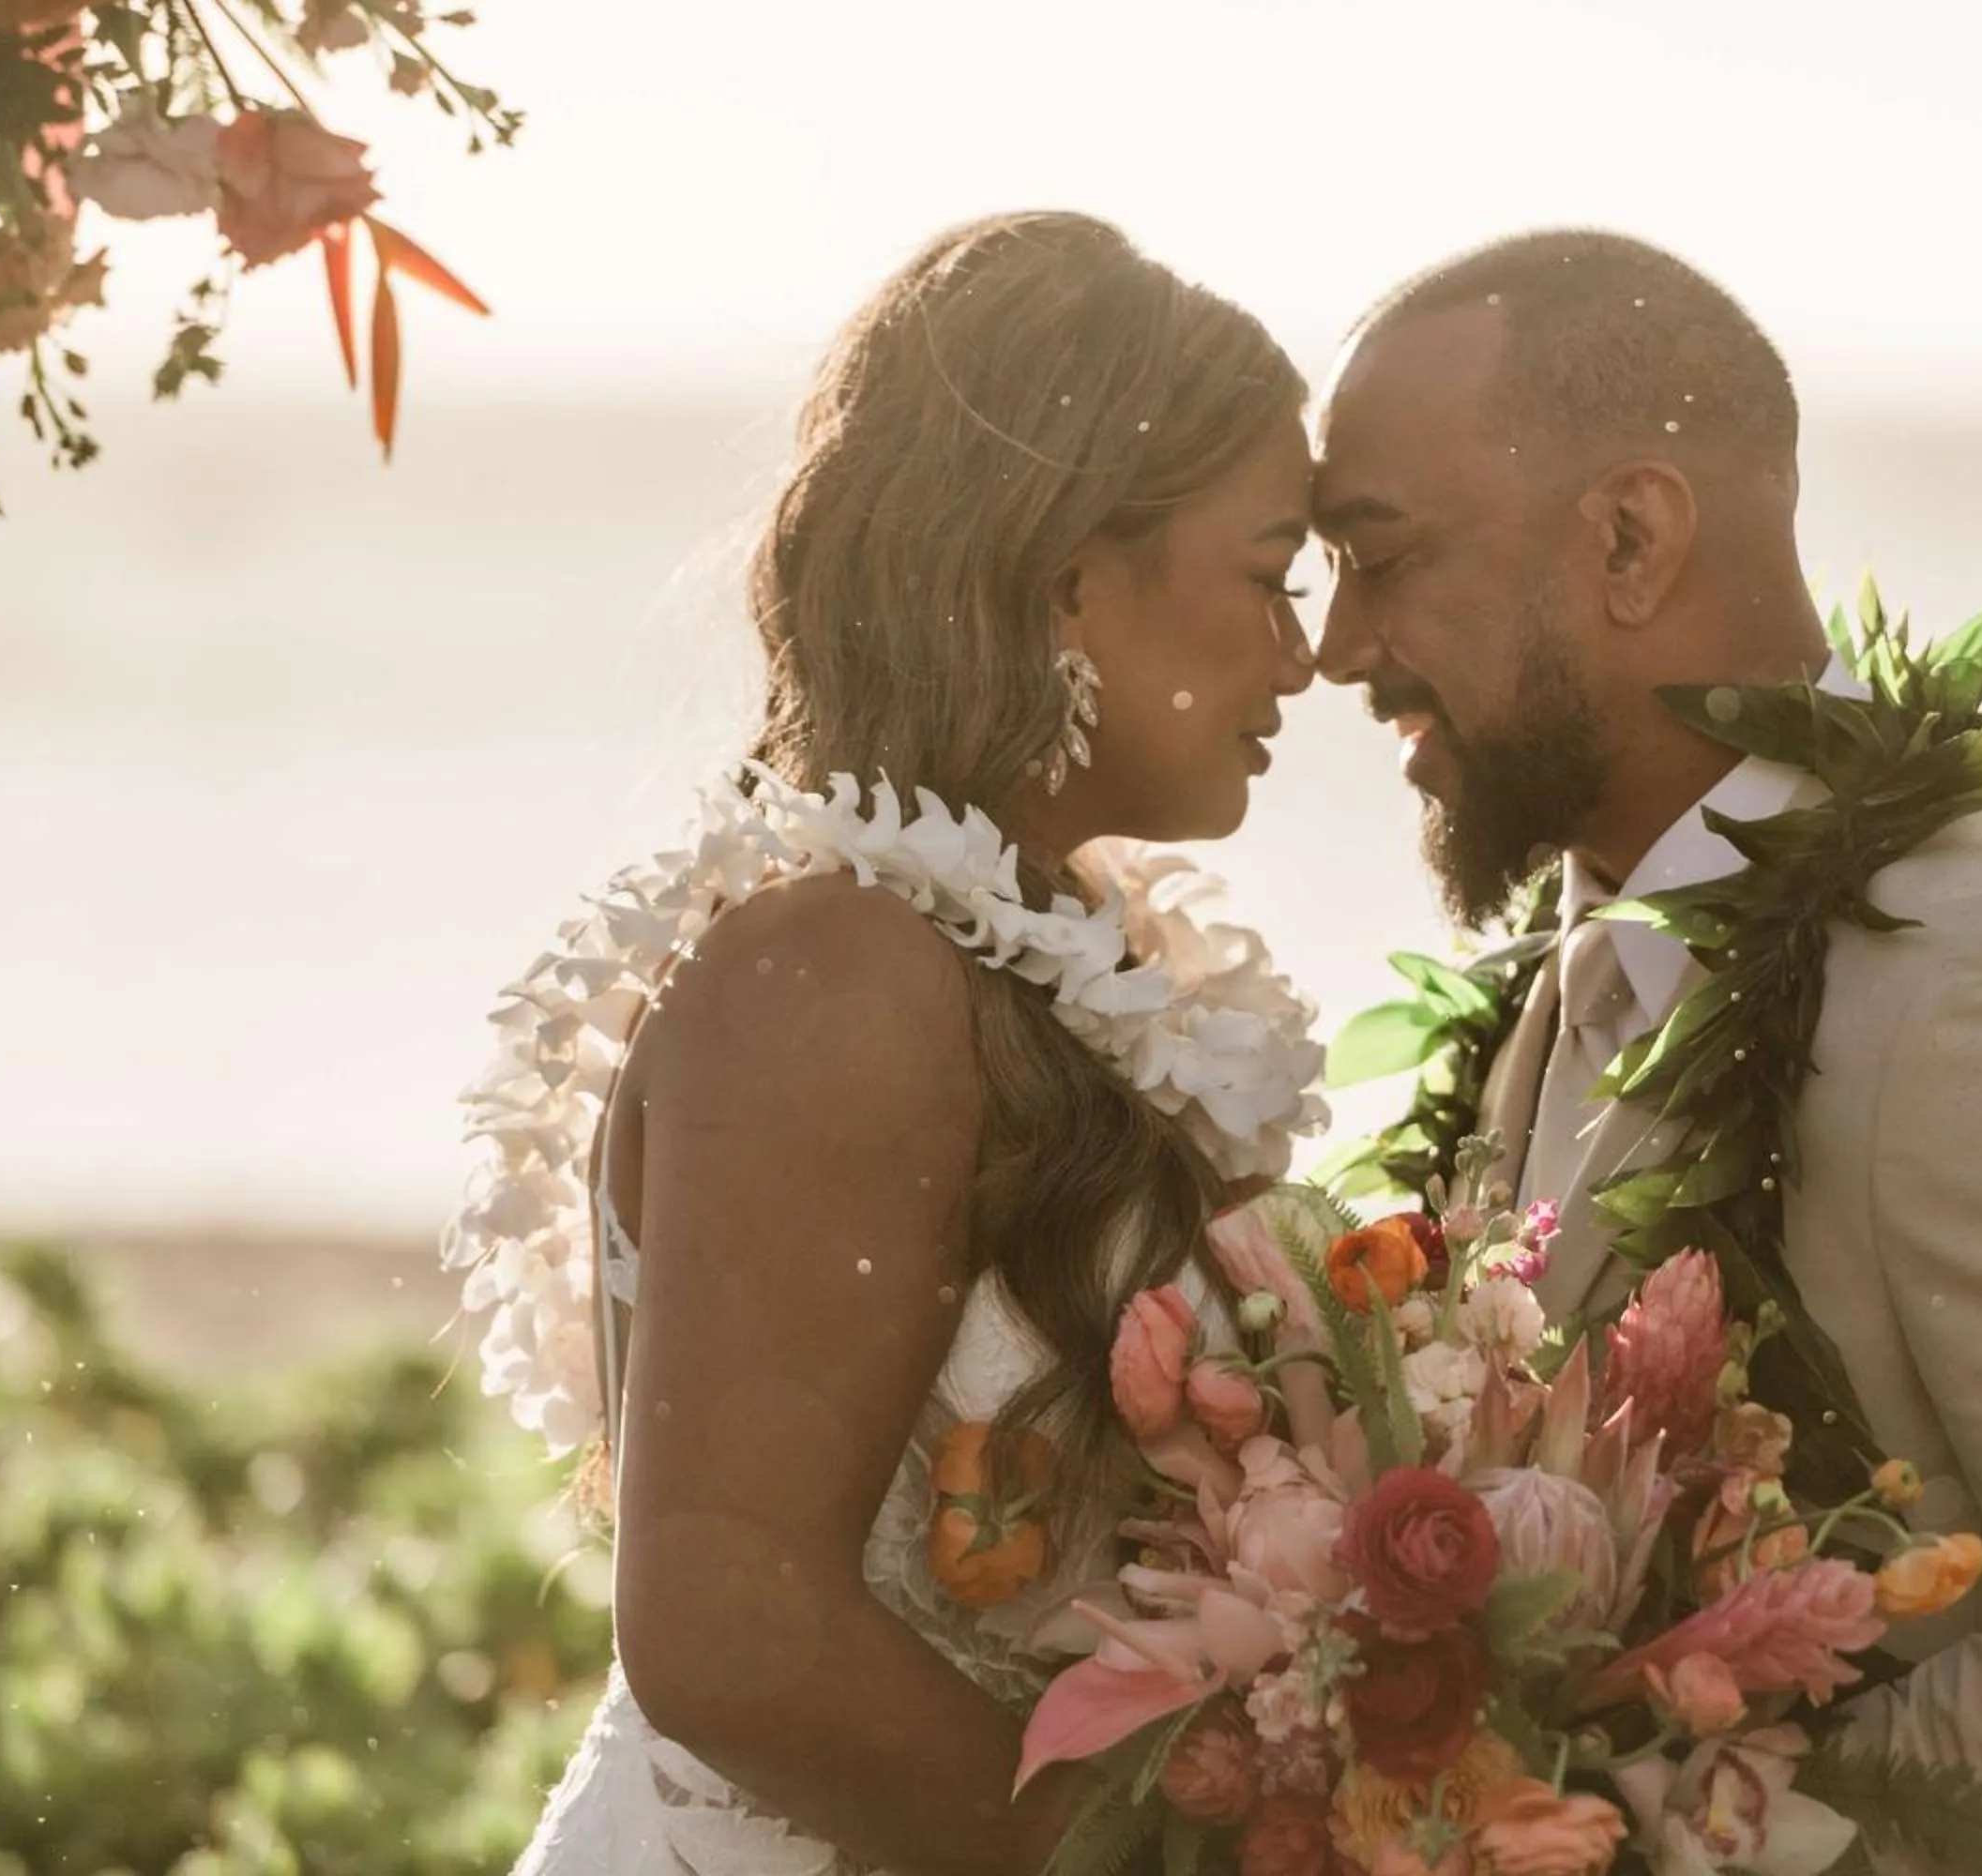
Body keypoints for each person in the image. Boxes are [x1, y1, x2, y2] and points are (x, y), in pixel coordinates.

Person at [1309, 228, 1982, 1875]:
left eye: (1380, 557)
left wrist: (1676, 1836)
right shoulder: (1584, 957)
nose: (1338, 648)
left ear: (1633, 538)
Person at [448, 210, 1327, 1876]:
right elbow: (725, 1628)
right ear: (1072, 573)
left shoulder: (1047, 969)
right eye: (1272, 573)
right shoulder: (842, 970)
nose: (1304, 654)